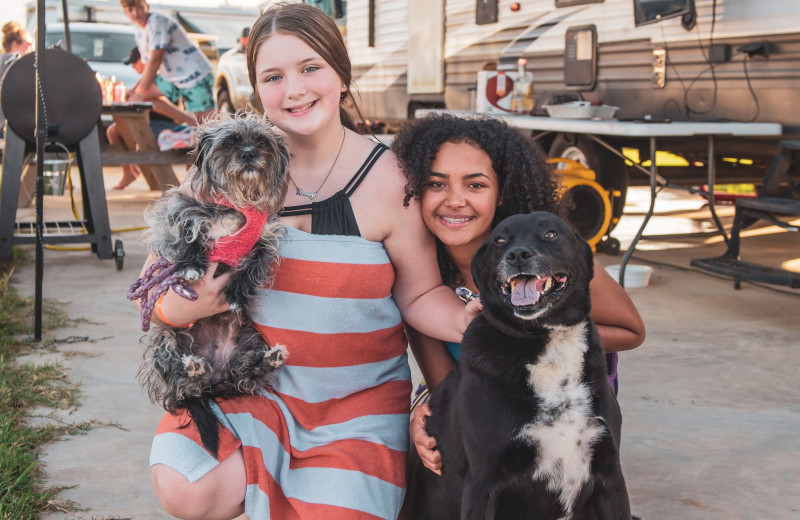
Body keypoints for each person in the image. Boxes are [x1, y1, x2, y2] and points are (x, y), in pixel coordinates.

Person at [139, 4, 479, 520]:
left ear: (342, 75)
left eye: (310, 68)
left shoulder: (390, 179)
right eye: (273, 77)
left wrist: (466, 319)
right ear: (257, 91)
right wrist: (176, 312)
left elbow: (418, 295)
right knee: (187, 485)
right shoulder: (229, 167)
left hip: (355, 409)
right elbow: (151, 285)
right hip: (253, 391)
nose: (294, 89)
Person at [390, 113, 646, 476]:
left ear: (503, 192)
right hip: (488, 411)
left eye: (475, 185)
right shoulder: (422, 282)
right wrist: (424, 408)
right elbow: (447, 386)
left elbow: (632, 331)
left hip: (570, 411)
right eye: (436, 184)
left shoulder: (550, 256)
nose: (455, 200)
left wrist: (535, 338)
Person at [106, 47, 196, 190]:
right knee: (113, 131)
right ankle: (130, 172)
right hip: (150, 122)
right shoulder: (146, 81)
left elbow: (158, 102)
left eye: (134, 63)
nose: (133, 67)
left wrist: (184, 119)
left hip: (164, 124)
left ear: (144, 60)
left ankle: (148, 171)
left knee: (125, 129)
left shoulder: (160, 79)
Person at [120, 0, 216, 123]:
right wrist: (134, 90)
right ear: (125, 12)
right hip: (171, 77)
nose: (136, 13)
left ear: (147, 6)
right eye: (130, 10)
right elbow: (148, 66)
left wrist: (140, 92)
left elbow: (156, 59)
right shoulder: (139, 33)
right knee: (139, 98)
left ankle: (196, 125)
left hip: (195, 74)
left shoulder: (157, 21)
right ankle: (188, 121)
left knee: (206, 124)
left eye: (139, 8)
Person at [1, 22, 33, 137]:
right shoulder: (17, 63)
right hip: (11, 123)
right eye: (28, 44)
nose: (31, 47)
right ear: (16, 44)